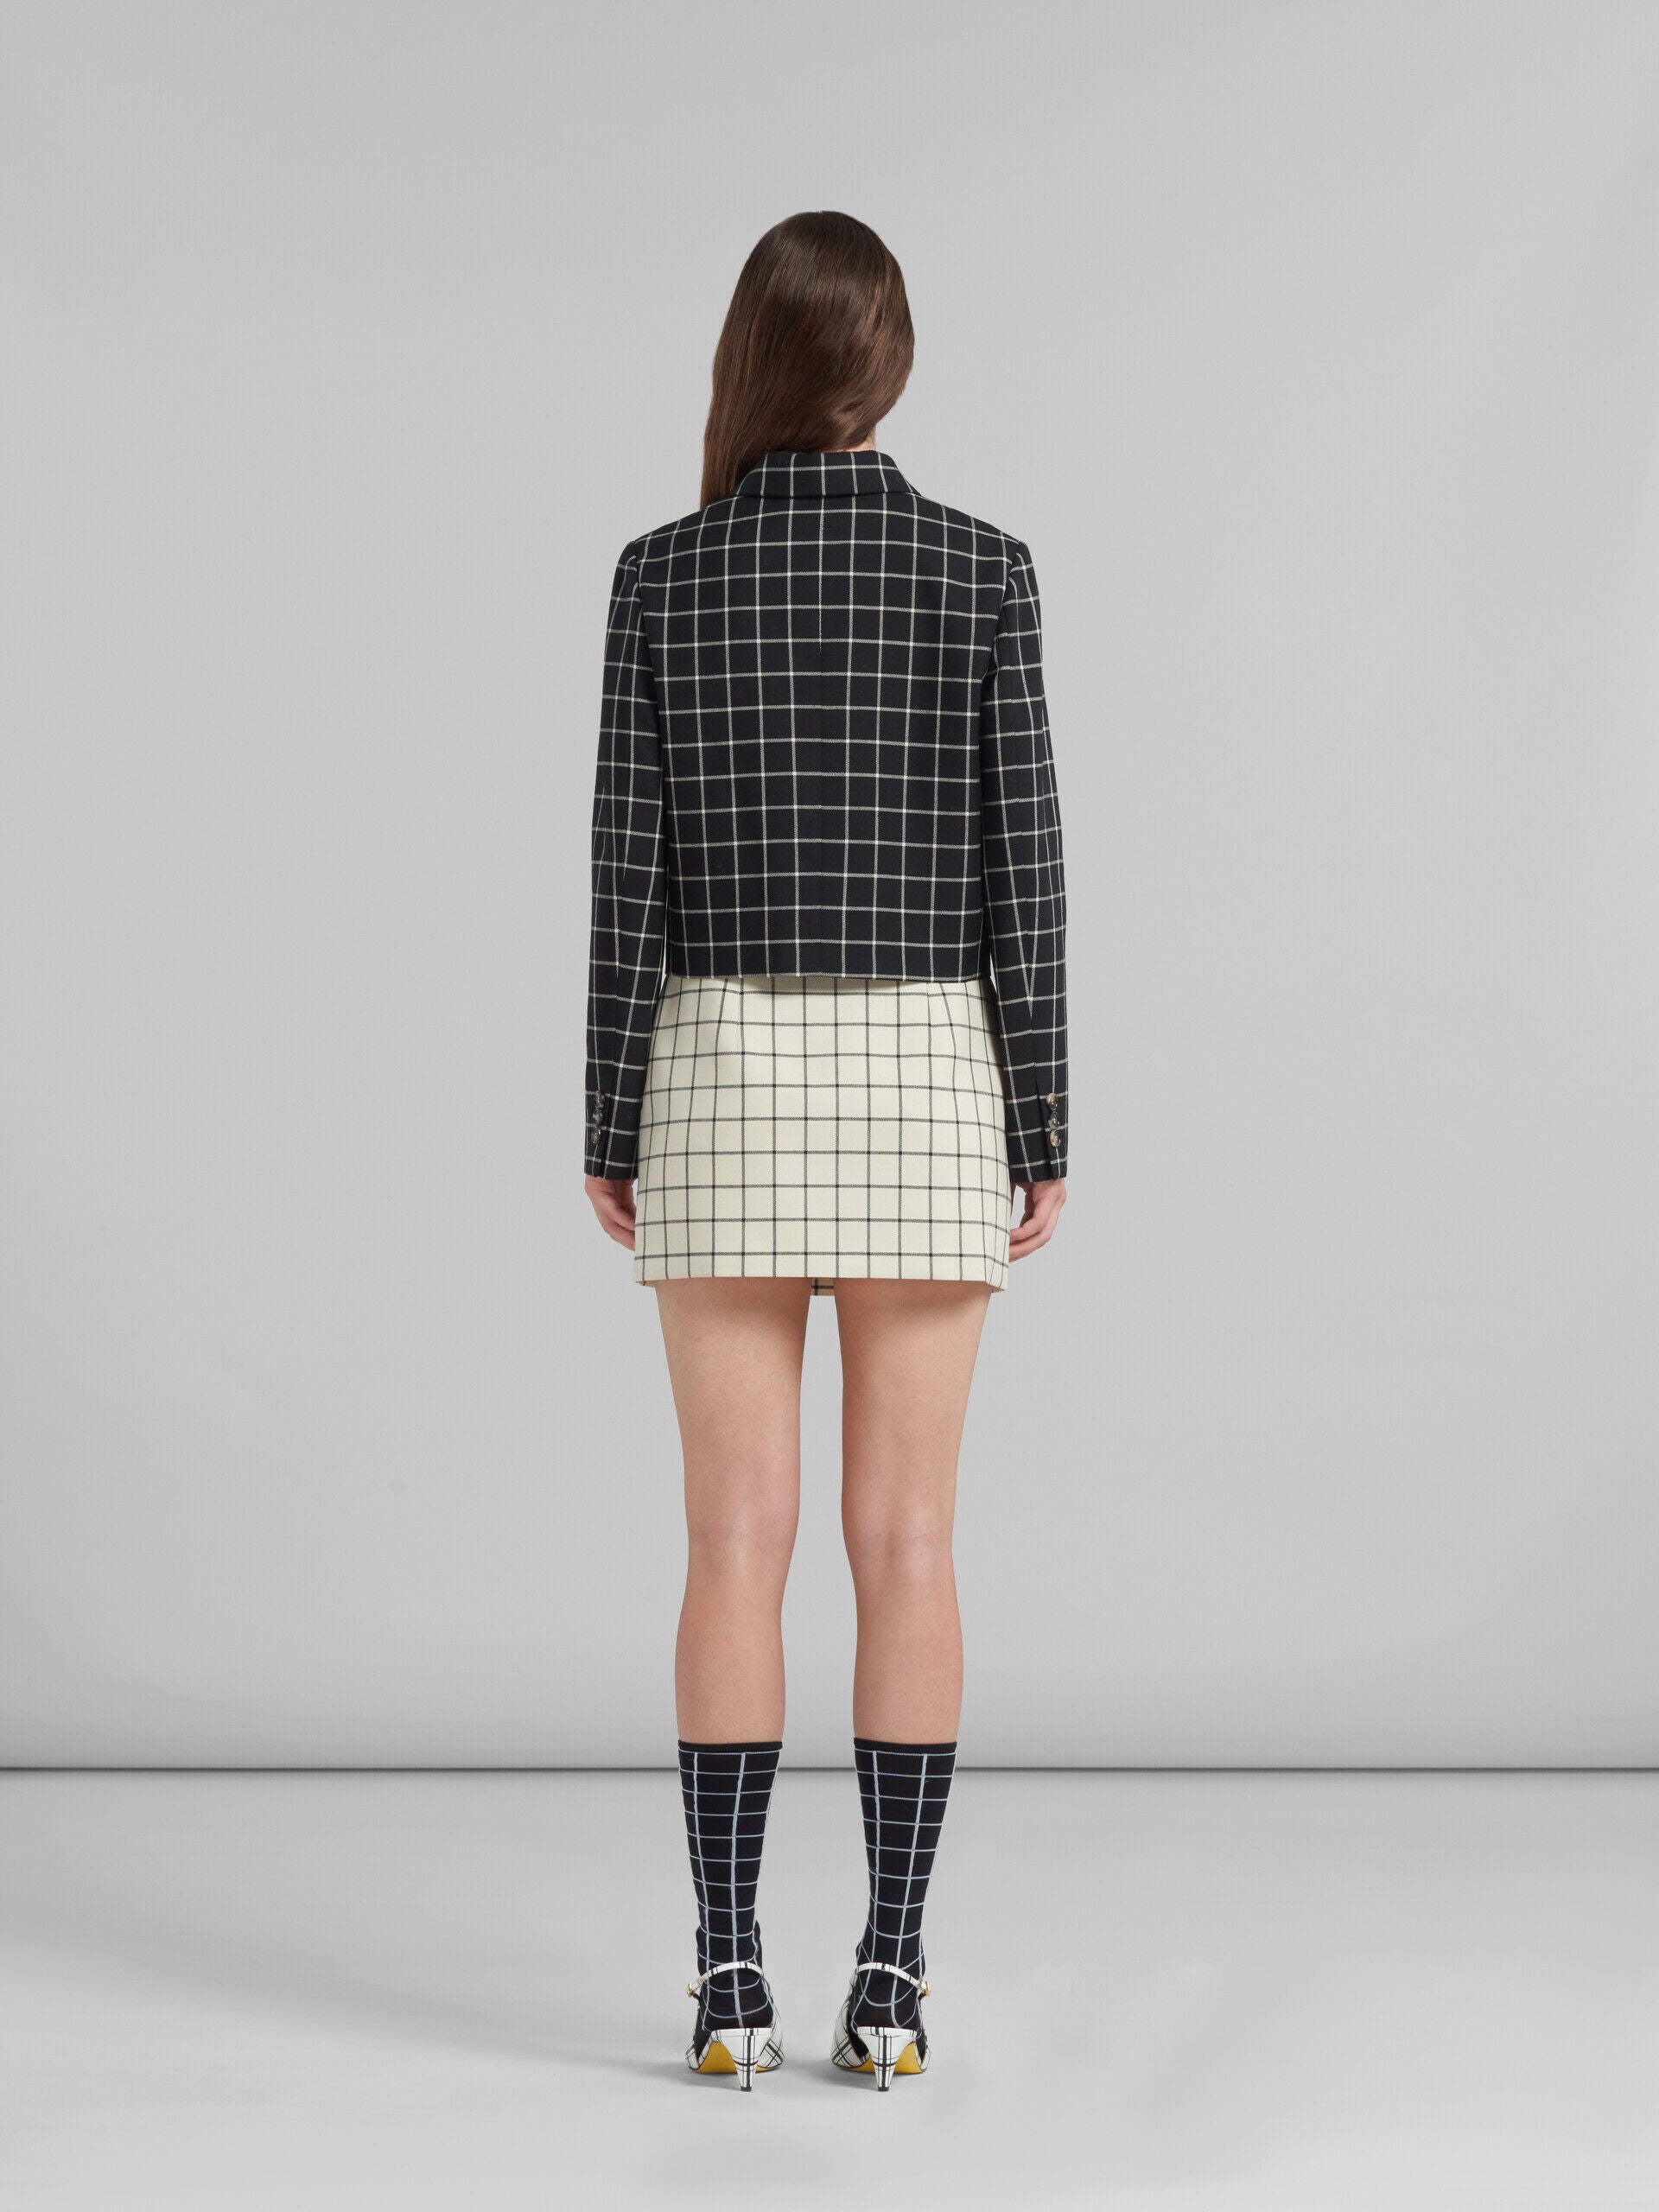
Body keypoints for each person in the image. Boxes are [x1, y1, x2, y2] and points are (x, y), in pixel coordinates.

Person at [583, 211, 1069, 2090]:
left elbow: (629, 875)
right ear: (891, 363)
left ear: (754, 358)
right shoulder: (983, 571)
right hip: (930, 1074)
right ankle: (893, 1981)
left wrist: (608, 1110)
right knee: (911, 1537)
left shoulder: (661, 575)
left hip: (714, 1069)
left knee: (731, 1536)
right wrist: (1044, 1119)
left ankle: (728, 1980)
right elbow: (1025, 873)